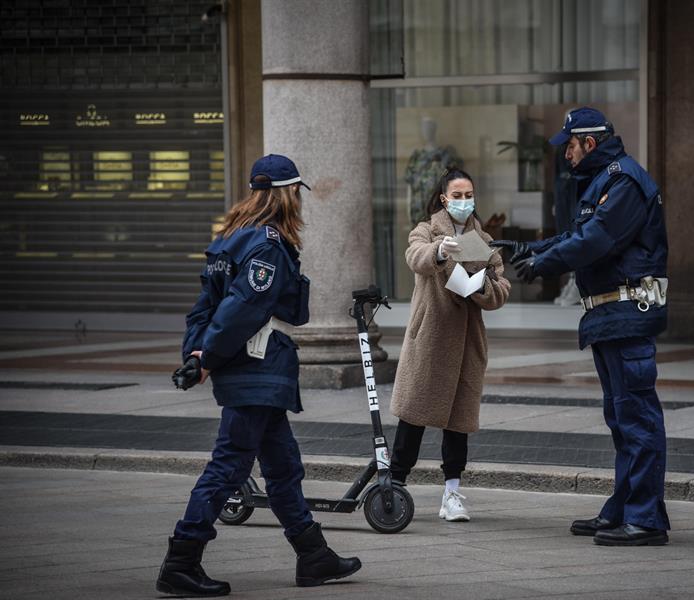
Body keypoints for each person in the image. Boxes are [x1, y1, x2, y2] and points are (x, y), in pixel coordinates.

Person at [156, 154, 361, 597]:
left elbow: (203, 308)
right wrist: (206, 356)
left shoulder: (229, 238)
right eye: (297, 195)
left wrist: (196, 352)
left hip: (252, 371)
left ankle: (314, 555)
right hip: (255, 368)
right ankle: (181, 561)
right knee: (229, 465)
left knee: (283, 466)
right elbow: (242, 309)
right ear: (288, 194)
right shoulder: (266, 245)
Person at [492, 107, 671, 546]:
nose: (566, 154)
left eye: (570, 146)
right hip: (609, 317)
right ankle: (623, 510)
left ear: (589, 143)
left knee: (638, 420)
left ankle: (645, 520)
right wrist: (527, 247)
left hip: (628, 314)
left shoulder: (624, 181)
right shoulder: (602, 182)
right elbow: (577, 235)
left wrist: (544, 263)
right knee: (622, 418)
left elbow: (597, 240)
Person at [390, 168, 511, 522]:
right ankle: (394, 486)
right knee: (413, 414)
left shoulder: (483, 239)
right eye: (456, 196)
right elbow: (415, 256)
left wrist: (479, 287)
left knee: (459, 422)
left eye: (468, 195)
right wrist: (440, 253)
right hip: (430, 340)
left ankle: (452, 493)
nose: (463, 201)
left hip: (467, 344)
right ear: (444, 198)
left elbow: (500, 288)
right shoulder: (427, 230)